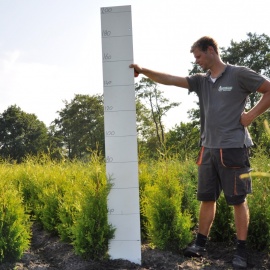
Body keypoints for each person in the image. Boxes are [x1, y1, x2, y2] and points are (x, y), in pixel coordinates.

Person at [130, 36, 270, 269]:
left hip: (233, 148)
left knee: (237, 200)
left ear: (212, 51)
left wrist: (251, 116)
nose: (197, 62)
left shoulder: (238, 74)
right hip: (208, 148)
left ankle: (241, 251)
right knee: (207, 198)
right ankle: (200, 244)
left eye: (198, 56)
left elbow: (268, 89)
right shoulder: (201, 81)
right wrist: (143, 71)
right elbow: (171, 79)